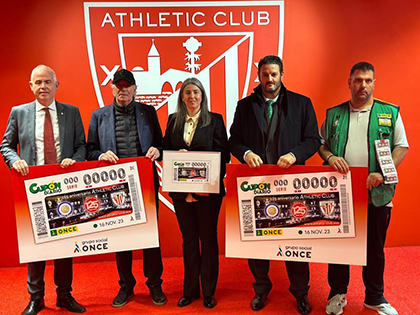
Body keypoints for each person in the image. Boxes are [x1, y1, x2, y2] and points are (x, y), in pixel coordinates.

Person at [229, 55, 321, 314]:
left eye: (274, 74)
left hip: (290, 184)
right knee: (257, 241)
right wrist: (245, 153)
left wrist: (294, 155)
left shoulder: (302, 104)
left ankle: (301, 293)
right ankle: (260, 290)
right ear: (258, 76)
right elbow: (233, 140)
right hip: (255, 186)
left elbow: (313, 139)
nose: (269, 80)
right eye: (265, 75)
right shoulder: (245, 106)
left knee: (295, 242)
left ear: (282, 75)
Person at [319, 62, 408, 315]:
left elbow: (401, 146)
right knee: (339, 247)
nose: (363, 86)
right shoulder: (335, 114)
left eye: (368, 81)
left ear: (374, 83)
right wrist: (329, 158)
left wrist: (382, 172)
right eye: (358, 80)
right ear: (349, 82)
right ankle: (337, 294)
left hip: (377, 193)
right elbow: (322, 144)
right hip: (340, 194)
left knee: (374, 249)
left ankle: (375, 297)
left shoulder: (389, 112)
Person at [0, 65, 87, 315]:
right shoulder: (19, 112)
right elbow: (6, 145)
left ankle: (64, 295)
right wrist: (14, 159)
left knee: (64, 244)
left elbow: (81, 145)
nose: (43, 87)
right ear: (31, 86)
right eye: (38, 82)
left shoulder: (71, 112)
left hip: (65, 188)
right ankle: (35, 298)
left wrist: (75, 160)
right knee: (35, 245)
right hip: (32, 188)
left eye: (47, 82)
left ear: (56, 85)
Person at [86, 69, 166, 308]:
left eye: (127, 86)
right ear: (112, 89)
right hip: (114, 187)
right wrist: (100, 154)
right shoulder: (98, 116)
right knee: (121, 238)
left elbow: (160, 143)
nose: (123, 90)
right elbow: (89, 151)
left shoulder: (148, 112)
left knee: (151, 237)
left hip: (146, 184)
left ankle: (155, 284)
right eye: (118, 86)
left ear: (135, 89)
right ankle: (126, 285)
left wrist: (157, 151)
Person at [163, 77, 230, 309]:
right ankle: (190, 291)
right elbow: (165, 151)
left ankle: (209, 291)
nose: (192, 97)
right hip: (181, 194)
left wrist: (207, 183)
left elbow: (224, 155)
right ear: (182, 97)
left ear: (203, 96)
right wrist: (177, 156)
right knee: (189, 240)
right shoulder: (173, 121)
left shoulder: (215, 120)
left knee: (208, 239)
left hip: (208, 194)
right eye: (188, 92)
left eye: (196, 92)